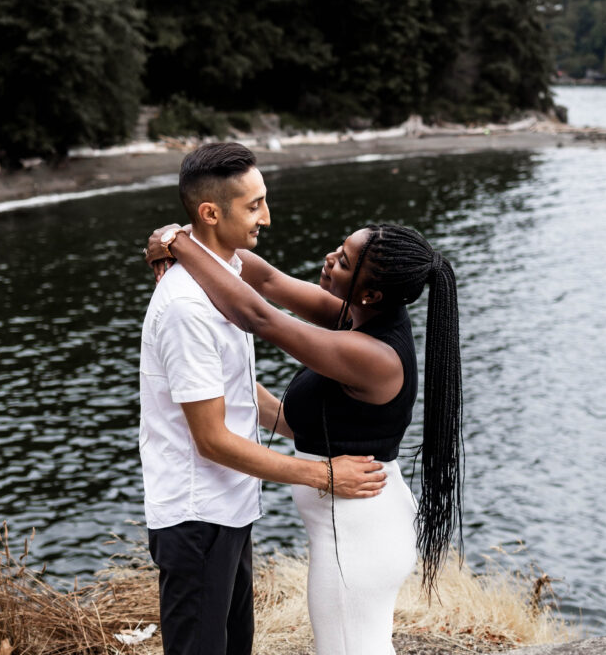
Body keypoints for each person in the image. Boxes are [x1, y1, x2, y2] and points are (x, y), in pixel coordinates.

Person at [146, 215, 463, 655]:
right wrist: (179, 237)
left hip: (359, 537)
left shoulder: (373, 355)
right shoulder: (354, 315)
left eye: (345, 262)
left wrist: (179, 245)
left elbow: (260, 316)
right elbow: (266, 279)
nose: (331, 258)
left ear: (370, 292)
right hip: (360, 527)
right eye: (341, 247)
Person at [139, 142, 387, 655]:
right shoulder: (188, 307)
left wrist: (319, 433)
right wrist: (323, 474)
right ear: (210, 213)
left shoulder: (227, 275)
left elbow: (233, 388)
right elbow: (210, 439)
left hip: (230, 508)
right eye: (254, 206)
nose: (267, 218)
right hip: (196, 516)